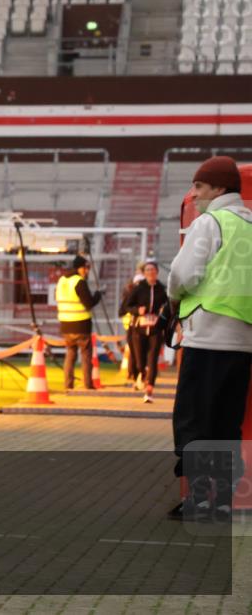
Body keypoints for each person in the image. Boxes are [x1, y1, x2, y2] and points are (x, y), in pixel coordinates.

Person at [166, 156, 252, 522]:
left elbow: (182, 274)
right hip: (243, 342)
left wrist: (173, 302)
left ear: (219, 188)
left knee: (195, 424)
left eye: (199, 186)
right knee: (226, 425)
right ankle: (223, 501)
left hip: (206, 338)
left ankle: (199, 502)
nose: (194, 193)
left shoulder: (209, 222)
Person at [122, 261, 170, 402]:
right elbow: (126, 306)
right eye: (148, 270)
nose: (150, 272)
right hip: (140, 330)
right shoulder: (138, 288)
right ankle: (142, 373)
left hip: (155, 329)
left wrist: (163, 312)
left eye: (153, 270)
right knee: (140, 361)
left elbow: (169, 307)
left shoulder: (162, 289)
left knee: (153, 360)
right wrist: (138, 310)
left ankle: (149, 391)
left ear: (157, 272)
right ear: (144, 273)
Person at [55, 254, 103, 391]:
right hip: (81, 325)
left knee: (70, 355)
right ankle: (88, 384)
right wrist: (98, 295)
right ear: (79, 268)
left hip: (65, 324)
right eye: (85, 268)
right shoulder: (79, 281)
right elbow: (89, 303)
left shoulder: (62, 280)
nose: (87, 271)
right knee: (86, 355)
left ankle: (68, 385)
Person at [118, 262, 146, 388]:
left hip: (140, 326)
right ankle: (135, 374)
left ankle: (136, 374)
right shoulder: (130, 294)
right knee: (135, 351)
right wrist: (135, 310)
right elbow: (122, 310)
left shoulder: (140, 292)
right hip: (132, 325)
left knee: (137, 352)